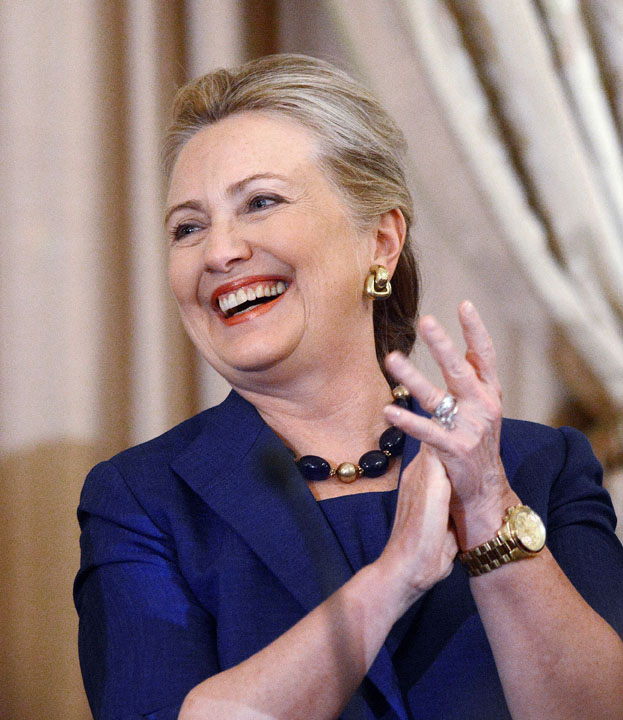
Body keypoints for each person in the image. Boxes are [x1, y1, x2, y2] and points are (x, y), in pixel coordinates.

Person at [74, 54, 623, 720]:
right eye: (188, 227)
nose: (218, 252)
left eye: (261, 202)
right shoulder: (142, 499)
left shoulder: (540, 468)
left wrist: (487, 512)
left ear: (381, 242)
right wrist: (392, 579)